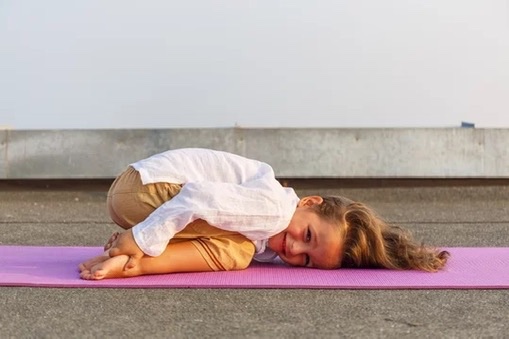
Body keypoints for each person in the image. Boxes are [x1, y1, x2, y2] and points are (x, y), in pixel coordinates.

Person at [79, 148, 449, 280]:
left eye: (305, 261)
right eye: (307, 236)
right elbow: (198, 196)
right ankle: (131, 262)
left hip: (137, 186)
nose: (292, 250)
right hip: (145, 190)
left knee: (237, 246)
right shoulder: (274, 209)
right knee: (237, 253)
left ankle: (123, 255)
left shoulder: (274, 225)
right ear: (308, 203)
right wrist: (142, 239)